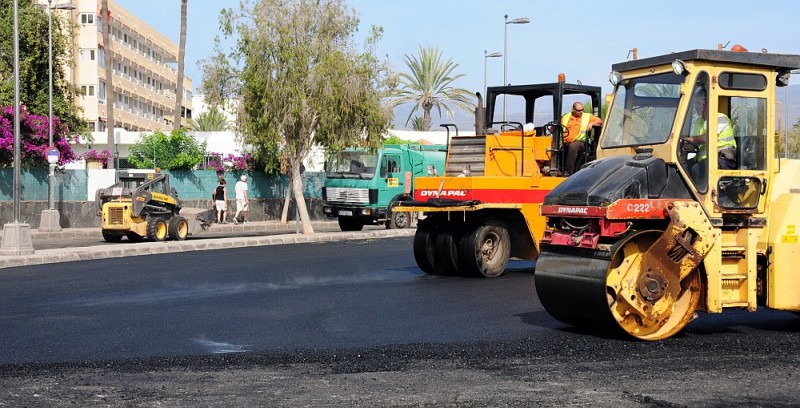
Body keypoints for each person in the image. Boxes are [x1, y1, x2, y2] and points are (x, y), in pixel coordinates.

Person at [684, 96, 737, 170]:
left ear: (707, 104)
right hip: (705, 159)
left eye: (699, 103)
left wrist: (689, 139)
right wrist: (685, 145)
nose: (696, 106)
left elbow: (707, 137)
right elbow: (695, 143)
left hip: (722, 159)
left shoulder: (720, 118)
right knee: (683, 167)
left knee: (696, 169)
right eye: (695, 104)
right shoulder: (698, 122)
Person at [560, 102, 603, 175]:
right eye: (579, 110)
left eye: (582, 110)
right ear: (573, 109)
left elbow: (600, 121)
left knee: (573, 146)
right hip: (565, 142)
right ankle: (555, 169)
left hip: (581, 142)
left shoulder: (587, 116)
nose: (581, 112)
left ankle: (568, 171)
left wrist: (592, 123)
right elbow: (556, 128)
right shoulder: (565, 117)